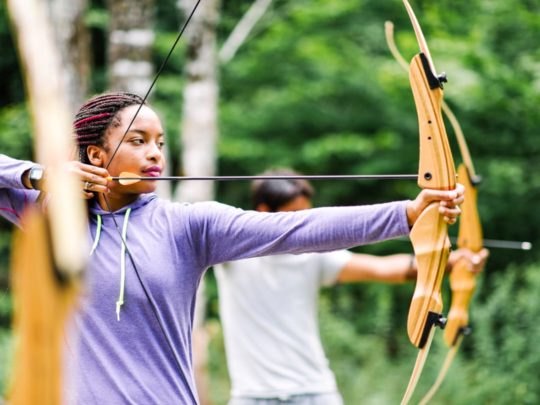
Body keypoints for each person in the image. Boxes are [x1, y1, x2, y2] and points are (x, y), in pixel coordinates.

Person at [0, 92, 465, 404]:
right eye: (138, 141)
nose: (156, 154)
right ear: (97, 156)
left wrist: (407, 212)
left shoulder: (187, 224)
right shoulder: (46, 215)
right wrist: (38, 175)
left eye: (160, 142)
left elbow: (301, 229)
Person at [214, 169, 488, 405]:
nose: (305, 224)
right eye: (294, 215)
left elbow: (381, 268)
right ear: (263, 211)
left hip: (314, 391)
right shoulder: (231, 256)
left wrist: (450, 260)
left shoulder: (312, 256)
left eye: (306, 213)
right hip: (251, 396)